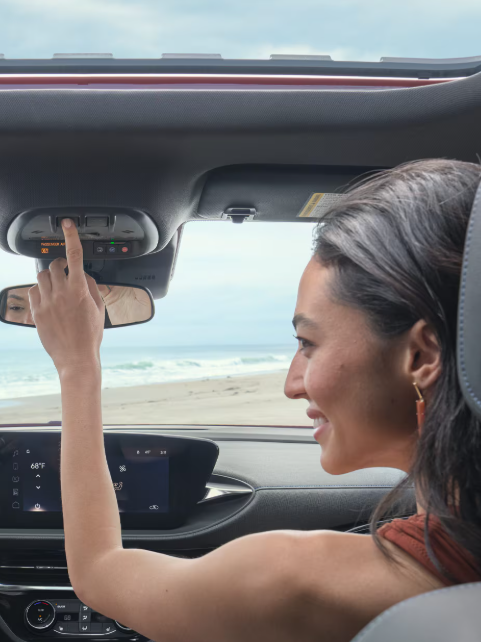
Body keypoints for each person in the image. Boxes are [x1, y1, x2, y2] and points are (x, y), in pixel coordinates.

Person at [28, 160, 481, 642]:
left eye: (308, 344)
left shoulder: (291, 581)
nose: (292, 383)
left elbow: (100, 570)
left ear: (421, 355)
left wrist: (77, 364)